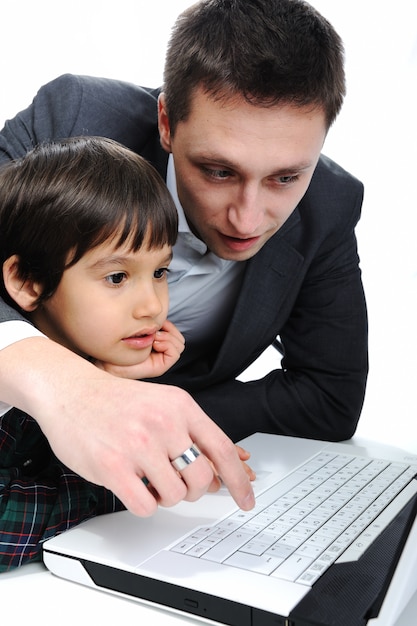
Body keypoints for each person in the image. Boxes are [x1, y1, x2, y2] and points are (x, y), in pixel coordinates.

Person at [0, 0, 367, 523]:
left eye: (285, 178)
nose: (247, 219)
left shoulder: (330, 204)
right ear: (167, 122)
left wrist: (160, 421)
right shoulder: (76, 118)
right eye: (218, 171)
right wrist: (76, 391)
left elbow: (329, 395)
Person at [0, 136, 255, 571]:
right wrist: (126, 488)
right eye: (117, 277)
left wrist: (112, 378)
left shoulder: (95, 357)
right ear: (26, 282)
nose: (153, 306)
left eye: (160, 272)